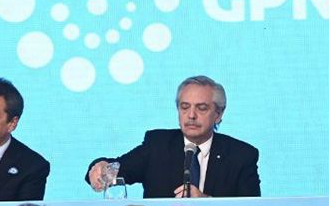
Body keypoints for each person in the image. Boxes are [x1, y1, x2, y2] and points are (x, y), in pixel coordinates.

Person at [85, 75, 261, 198]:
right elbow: (119, 168)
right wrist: (101, 167)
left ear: (218, 114)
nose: (191, 115)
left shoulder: (241, 155)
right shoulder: (158, 145)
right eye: (184, 107)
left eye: (201, 108)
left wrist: (208, 202)